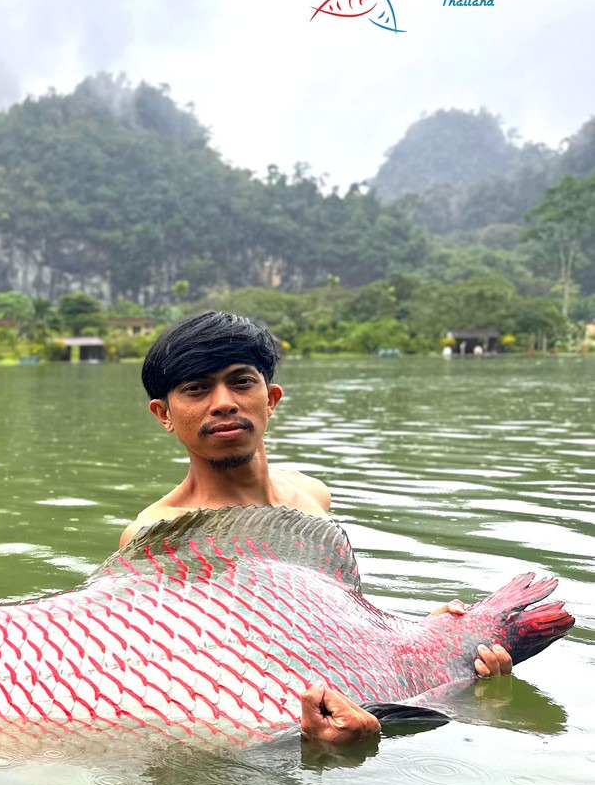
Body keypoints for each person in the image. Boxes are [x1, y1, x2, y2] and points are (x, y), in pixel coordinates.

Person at [122, 311, 511, 745]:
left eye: (241, 381)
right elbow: (169, 669)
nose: (224, 402)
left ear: (270, 398)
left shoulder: (310, 495)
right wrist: (304, 742)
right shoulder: (156, 535)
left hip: (344, 698)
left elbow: (334, 617)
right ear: (164, 414)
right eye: (196, 389)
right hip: (261, 729)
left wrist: (420, 643)